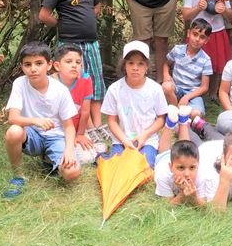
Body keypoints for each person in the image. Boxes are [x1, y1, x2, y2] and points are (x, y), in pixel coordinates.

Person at [39, 0, 106, 128]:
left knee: (95, 82)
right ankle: (83, 125)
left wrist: (89, 17)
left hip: (91, 44)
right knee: (75, 82)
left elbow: (97, 4)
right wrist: (61, 24)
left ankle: (98, 126)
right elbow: (43, 15)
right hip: (70, 45)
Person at [2, 42, 81, 198]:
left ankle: (50, 159)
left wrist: (69, 150)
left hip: (56, 137)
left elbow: (69, 126)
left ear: (49, 64)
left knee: (71, 173)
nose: (33, 69)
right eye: (28, 64)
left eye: (39, 63)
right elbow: (13, 118)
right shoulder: (20, 84)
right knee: (14, 132)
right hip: (33, 136)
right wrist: (35, 121)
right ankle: (18, 177)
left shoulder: (60, 90)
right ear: (22, 67)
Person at [101, 40, 168, 168]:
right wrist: (124, 140)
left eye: (140, 63)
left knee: (144, 167)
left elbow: (161, 119)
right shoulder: (115, 89)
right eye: (131, 63)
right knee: (117, 167)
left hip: (148, 140)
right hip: (121, 140)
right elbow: (112, 121)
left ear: (147, 67)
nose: (135, 68)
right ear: (124, 65)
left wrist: (144, 135)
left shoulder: (155, 89)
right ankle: (100, 155)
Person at [182, 0, 232, 100]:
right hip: (197, 35)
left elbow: (230, 16)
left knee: (215, 65)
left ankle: (212, 94)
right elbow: (185, 15)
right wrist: (198, 7)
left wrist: (223, 10)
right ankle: (194, 91)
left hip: (217, 33)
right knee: (194, 63)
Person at [50, 44, 103, 165]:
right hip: (57, 131)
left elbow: (85, 111)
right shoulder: (50, 82)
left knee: (87, 159)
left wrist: (79, 134)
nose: (74, 65)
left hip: (77, 129)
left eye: (78, 62)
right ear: (57, 66)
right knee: (62, 158)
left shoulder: (85, 80)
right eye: (69, 61)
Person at [161, 18, 213, 116]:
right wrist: (166, 75)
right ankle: (176, 113)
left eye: (202, 37)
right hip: (176, 88)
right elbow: (166, 64)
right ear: (189, 33)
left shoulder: (206, 60)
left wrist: (188, 97)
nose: (197, 39)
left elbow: (204, 87)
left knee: (196, 114)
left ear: (206, 40)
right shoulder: (177, 50)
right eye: (195, 34)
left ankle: (184, 114)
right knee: (166, 86)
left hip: (193, 93)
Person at [153, 139, 217, 206]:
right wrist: (182, 195)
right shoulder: (163, 175)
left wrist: (194, 197)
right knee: (163, 151)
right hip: (162, 158)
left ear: (198, 166)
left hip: (179, 158)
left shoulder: (201, 176)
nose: (187, 174)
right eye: (181, 168)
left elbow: (204, 207)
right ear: (171, 167)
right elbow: (168, 206)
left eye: (192, 167)